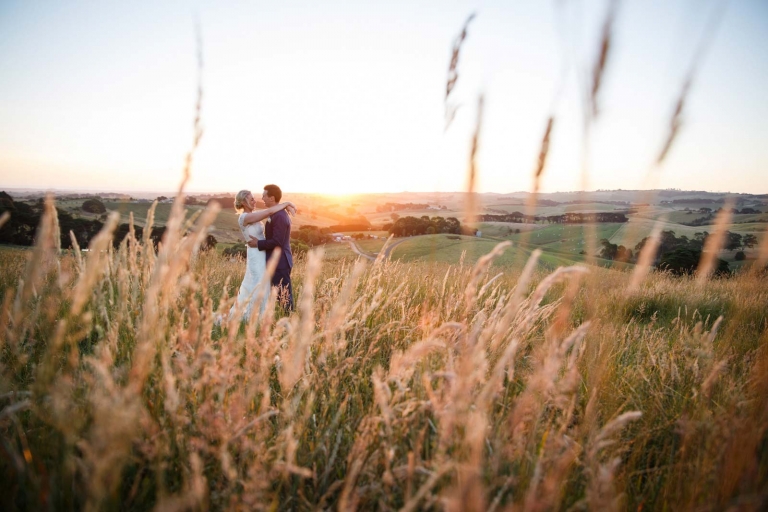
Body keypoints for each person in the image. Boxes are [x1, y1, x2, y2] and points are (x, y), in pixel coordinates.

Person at [227, 189, 295, 321]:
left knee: (263, 285)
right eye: (251, 199)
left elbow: (271, 213)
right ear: (243, 203)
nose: (255, 200)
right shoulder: (244, 217)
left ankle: (263, 316)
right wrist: (286, 203)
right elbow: (269, 211)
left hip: (263, 253)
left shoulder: (254, 214)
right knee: (258, 284)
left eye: (254, 198)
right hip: (255, 253)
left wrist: (286, 205)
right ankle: (253, 317)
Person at [247, 184, 294, 311]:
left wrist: (258, 243)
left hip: (280, 262)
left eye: (264, 195)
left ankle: (288, 322)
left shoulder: (279, 216)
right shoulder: (276, 213)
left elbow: (277, 241)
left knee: (284, 296)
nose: (262, 198)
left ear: (272, 198)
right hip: (277, 261)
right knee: (280, 295)